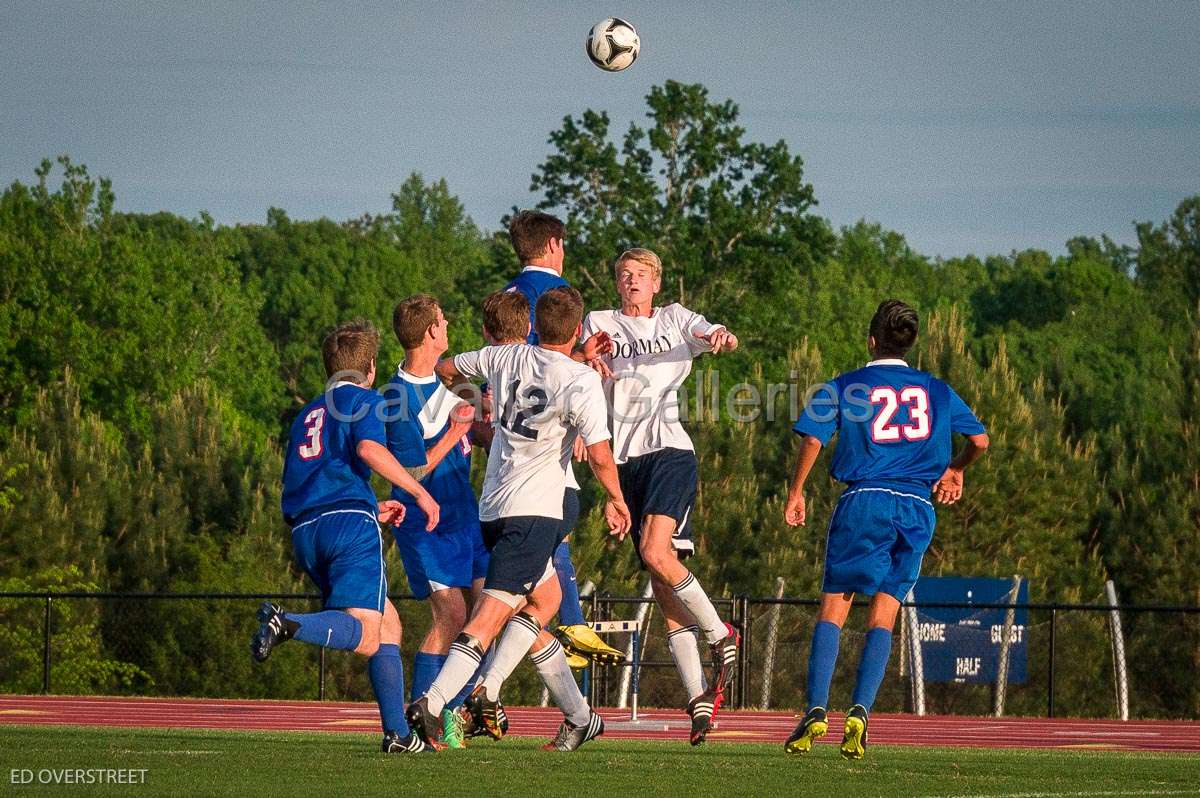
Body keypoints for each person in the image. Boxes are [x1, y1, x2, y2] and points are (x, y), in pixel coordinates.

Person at [405, 287, 631, 751]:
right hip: (536, 511)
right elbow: (602, 455)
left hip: (494, 508)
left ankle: (579, 716)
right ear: (576, 328)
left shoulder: (505, 359)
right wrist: (617, 499)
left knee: (545, 599)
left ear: (534, 326)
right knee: (487, 618)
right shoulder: (579, 378)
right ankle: (436, 700)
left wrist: (477, 400)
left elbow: (448, 369)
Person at [782, 299, 989, 760]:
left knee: (835, 606)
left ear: (871, 340)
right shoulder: (936, 389)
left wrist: (796, 492)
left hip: (865, 499)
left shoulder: (846, 386)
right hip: (917, 505)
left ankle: (817, 709)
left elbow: (814, 438)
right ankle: (860, 711)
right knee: (886, 610)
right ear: (910, 342)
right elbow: (980, 440)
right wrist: (955, 469)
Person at [250, 320, 454, 754]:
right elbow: (368, 450)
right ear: (372, 367)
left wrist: (370, 506)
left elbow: (317, 479)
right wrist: (419, 494)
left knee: (388, 625)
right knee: (365, 631)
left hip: (308, 530)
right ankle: (287, 623)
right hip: (346, 526)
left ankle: (397, 734)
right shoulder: (364, 399)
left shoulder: (307, 412)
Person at [581, 248, 741, 746]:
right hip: (624, 463)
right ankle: (698, 699)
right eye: (624, 275)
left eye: (641, 276)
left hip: (670, 450)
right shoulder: (601, 321)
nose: (631, 282)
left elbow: (713, 334)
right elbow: (578, 351)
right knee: (663, 578)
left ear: (655, 283)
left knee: (655, 552)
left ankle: (721, 633)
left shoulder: (675, 319)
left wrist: (721, 337)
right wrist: (587, 354)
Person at [502, 209, 624, 669]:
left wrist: (578, 354)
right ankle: (571, 624)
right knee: (556, 517)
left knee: (528, 579)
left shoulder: (508, 292)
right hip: (541, 434)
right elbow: (541, 365)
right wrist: (574, 413)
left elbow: (517, 362)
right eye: (564, 244)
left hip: (511, 428)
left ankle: (573, 702)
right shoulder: (548, 293)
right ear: (553, 243)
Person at [382, 294, 489, 748]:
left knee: (491, 609)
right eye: (443, 322)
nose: (448, 327)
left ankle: (456, 711)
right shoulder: (396, 396)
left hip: (465, 516)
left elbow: (479, 430)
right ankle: (422, 719)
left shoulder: (450, 383)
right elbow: (411, 472)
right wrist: (456, 431)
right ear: (430, 332)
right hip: (424, 524)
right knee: (451, 614)